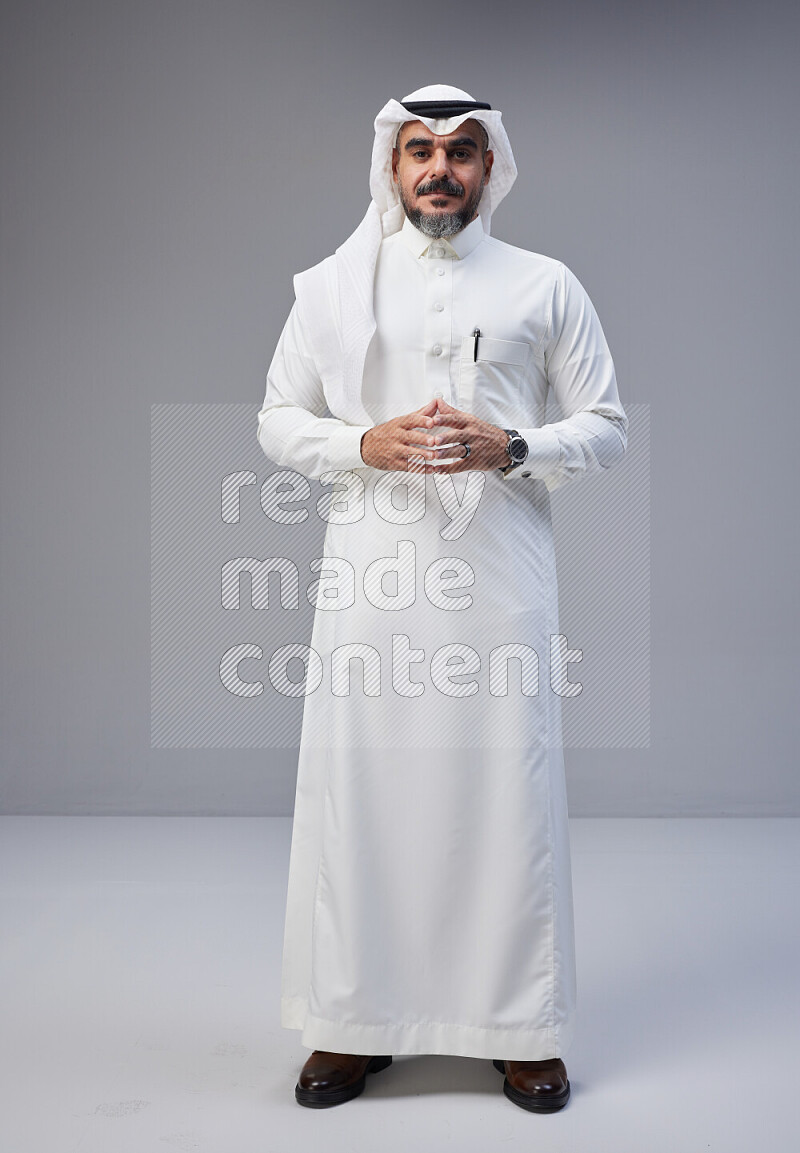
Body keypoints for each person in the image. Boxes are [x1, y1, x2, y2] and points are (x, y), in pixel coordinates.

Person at [256, 83, 628, 1112]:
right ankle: (351, 1023)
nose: (438, 169)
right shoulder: (335, 288)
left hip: (498, 579)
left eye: (460, 151)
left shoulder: (542, 284)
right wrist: (358, 442)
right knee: (365, 792)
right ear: (389, 165)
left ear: (489, 167)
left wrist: (514, 444)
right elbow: (277, 419)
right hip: (371, 575)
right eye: (418, 149)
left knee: (501, 790)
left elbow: (603, 423)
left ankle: (519, 1027)